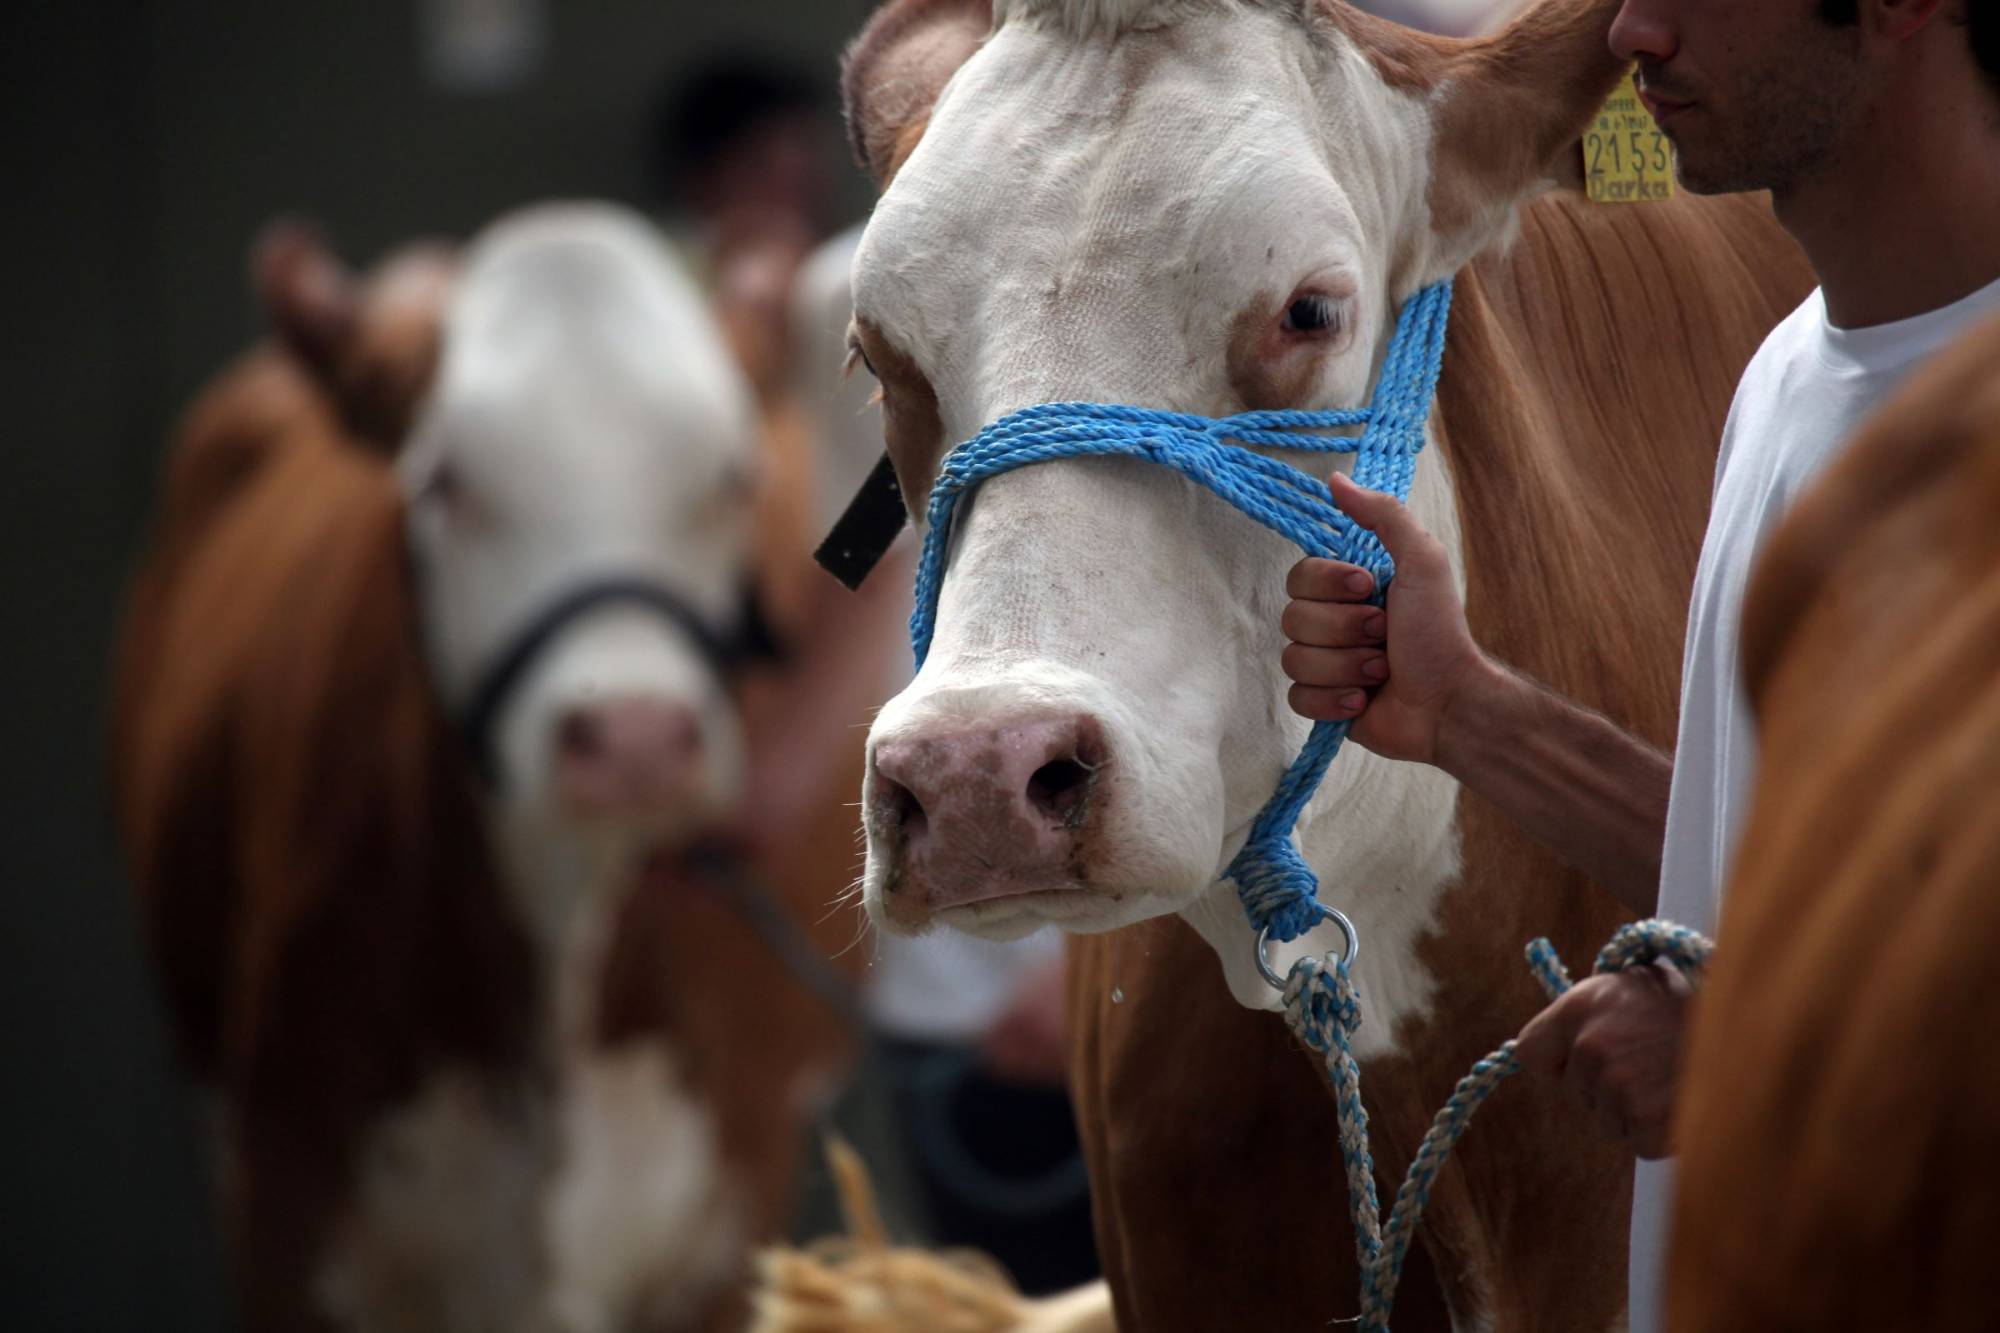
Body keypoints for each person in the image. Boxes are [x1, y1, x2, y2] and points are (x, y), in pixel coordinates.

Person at [1277, 0, 2000, 1327]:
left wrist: (1755, 1055)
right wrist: (1466, 711)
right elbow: (1758, 861)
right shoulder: (1787, 374)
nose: (1630, 29)